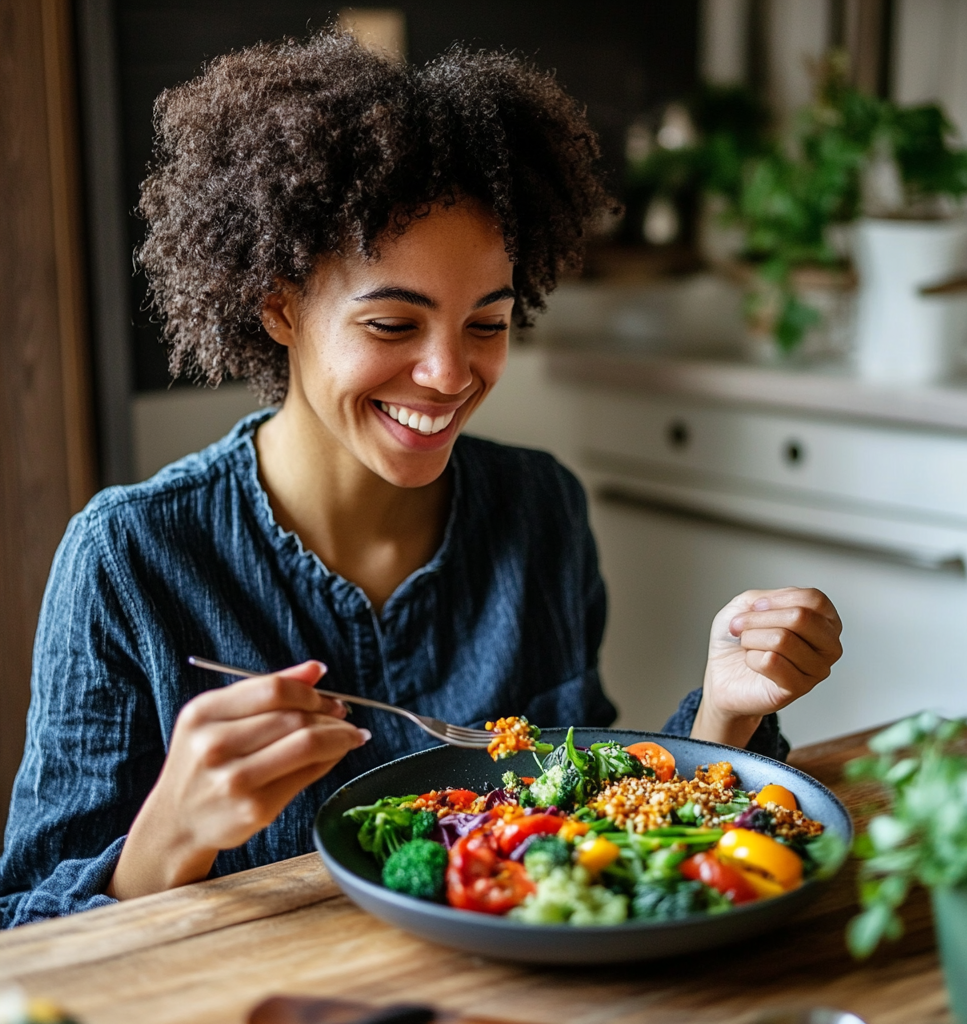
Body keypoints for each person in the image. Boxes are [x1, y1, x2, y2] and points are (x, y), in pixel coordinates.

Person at [0, 32, 842, 928]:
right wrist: (169, 836)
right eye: (395, 324)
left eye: (487, 323)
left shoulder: (539, 510)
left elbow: (591, 823)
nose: (449, 374)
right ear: (278, 305)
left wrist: (725, 715)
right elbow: (24, 935)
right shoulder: (128, 559)